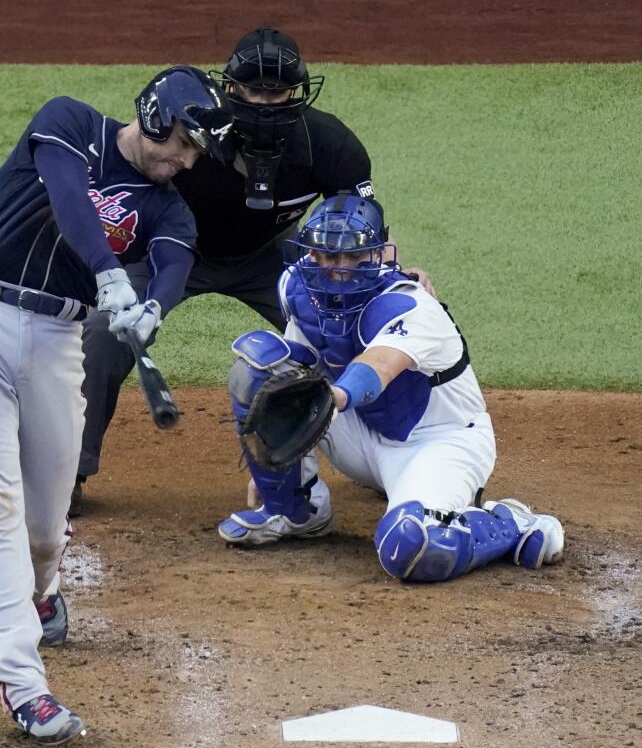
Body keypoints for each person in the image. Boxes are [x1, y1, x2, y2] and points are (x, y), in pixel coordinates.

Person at [0, 66, 233, 745]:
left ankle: (42, 587)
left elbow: (175, 261)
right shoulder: (68, 125)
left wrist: (153, 308)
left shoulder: (168, 206)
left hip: (59, 343)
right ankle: (22, 684)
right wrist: (110, 274)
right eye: (181, 143)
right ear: (153, 116)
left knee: (45, 523)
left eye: (194, 155)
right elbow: (69, 202)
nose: (183, 161)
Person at [74, 27, 382, 506]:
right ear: (230, 88)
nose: (264, 102)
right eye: (253, 90)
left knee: (356, 326)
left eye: (276, 90)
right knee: (100, 332)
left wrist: (391, 279)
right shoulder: (189, 131)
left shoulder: (329, 145)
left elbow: (364, 232)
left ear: (297, 93)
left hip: (267, 257)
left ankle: (386, 458)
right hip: (168, 251)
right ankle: (68, 473)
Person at [217, 194, 566, 582]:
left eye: (349, 257)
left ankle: (511, 524)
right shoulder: (300, 288)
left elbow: (377, 367)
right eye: (325, 256)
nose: (335, 270)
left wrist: (329, 400)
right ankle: (296, 511)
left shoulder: (409, 306)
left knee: (411, 547)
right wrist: (274, 465)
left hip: (440, 443)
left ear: (379, 254)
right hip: (364, 436)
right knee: (259, 362)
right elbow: (299, 364)